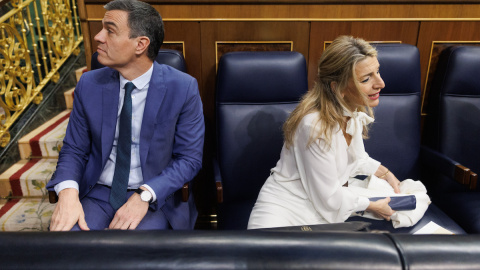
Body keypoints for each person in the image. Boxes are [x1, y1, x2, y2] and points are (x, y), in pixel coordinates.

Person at [47, 0, 204, 231]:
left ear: (140, 44)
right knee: (68, 245)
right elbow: (74, 149)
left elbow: (189, 159)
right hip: (98, 192)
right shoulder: (89, 84)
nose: (98, 37)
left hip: (154, 197)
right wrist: (68, 193)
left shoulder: (182, 87)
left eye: (110, 30)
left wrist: (145, 195)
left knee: (131, 255)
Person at [248, 36, 401, 229]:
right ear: (337, 88)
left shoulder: (350, 111)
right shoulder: (315, 126)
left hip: (321, 212)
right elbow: (329, 198)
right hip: (286, 211)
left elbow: (354, 159)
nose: (381, 83)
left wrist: (385, 173)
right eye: (366, 79)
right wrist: (370, 205)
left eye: (377, 71)